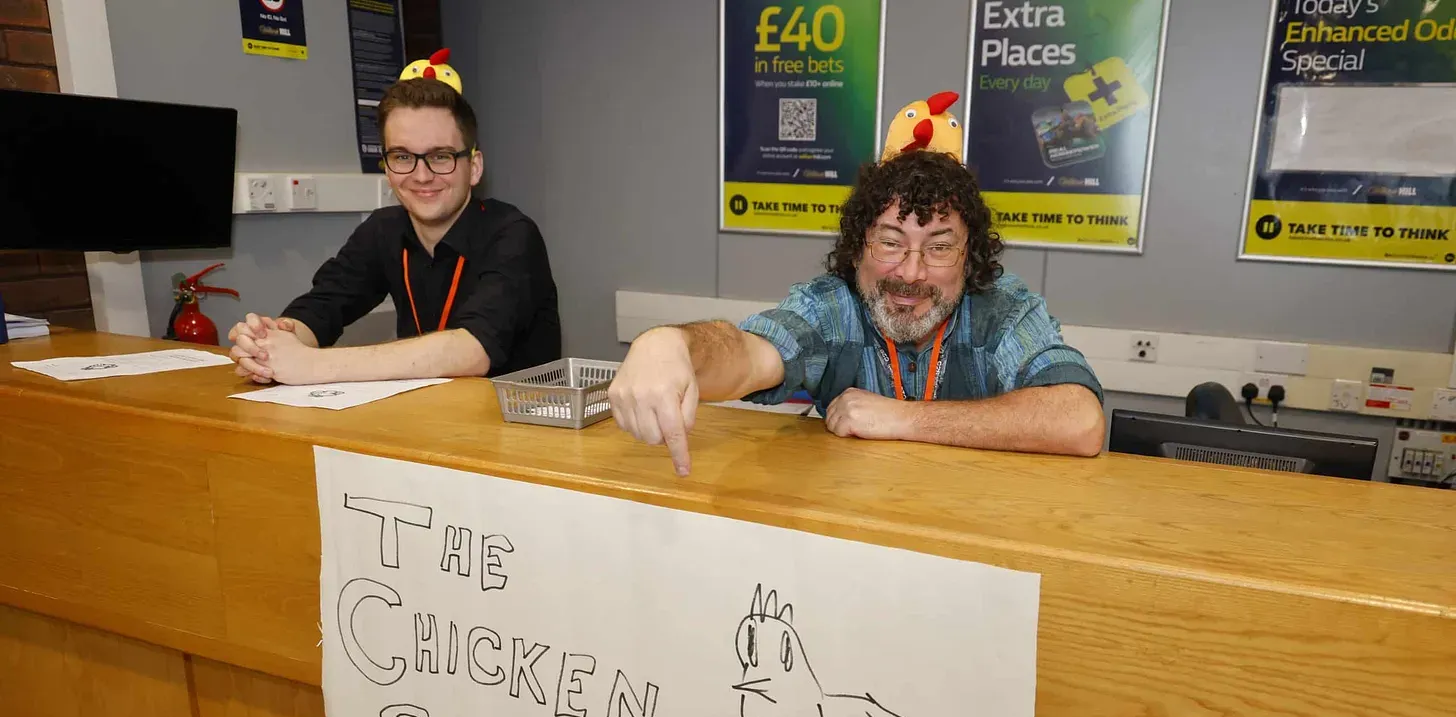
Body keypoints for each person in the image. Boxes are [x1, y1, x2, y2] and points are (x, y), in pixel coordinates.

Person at [608, 149, 1105, 476]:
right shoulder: (832, 306)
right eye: (890, 242)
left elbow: (1080, 422)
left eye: (938, 247)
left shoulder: (1003, 310)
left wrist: (907, 420)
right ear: (857, 248)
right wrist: (671, 344)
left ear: (970, 258)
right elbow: (748, 355)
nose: (910, 272)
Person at [228, 78, 560, 385]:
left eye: (440, 156)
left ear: (473, 168)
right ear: (387, 168)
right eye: (403, 156)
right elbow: (321, 309)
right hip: (421, 425)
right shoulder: (382, 230)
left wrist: (311, 365)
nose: (421, 175)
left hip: (514, 433)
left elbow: (472, 349)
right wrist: (271, 345)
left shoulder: (513, 235)